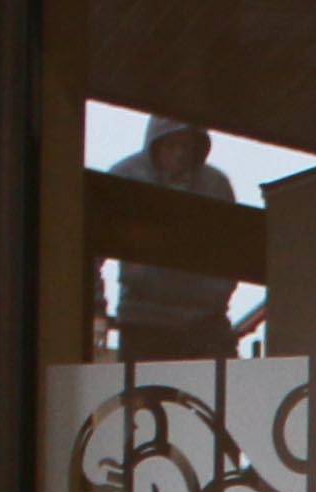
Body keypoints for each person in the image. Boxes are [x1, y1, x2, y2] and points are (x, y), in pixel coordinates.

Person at [102, 116, 245, 360]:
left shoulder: (216, 186)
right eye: (172, 145)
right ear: (156, 144)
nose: (179, 154)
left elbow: (234, 250)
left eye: (187, 146)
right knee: (145, 394)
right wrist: (95, 309)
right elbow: (90, 251)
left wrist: (216, 297)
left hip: (206, 323)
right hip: (144, 321)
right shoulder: (125, 176)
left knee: (222, 392)